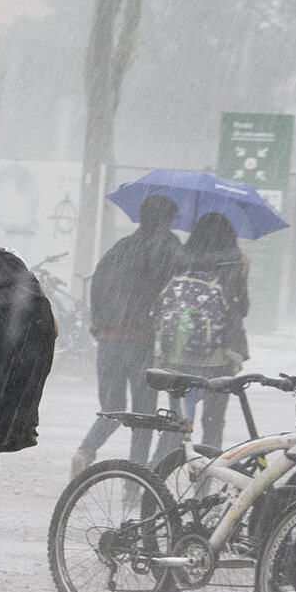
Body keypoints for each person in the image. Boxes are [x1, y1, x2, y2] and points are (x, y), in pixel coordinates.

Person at [71, 194, 182, 476]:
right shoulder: (170, 249)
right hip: (142, 342)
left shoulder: (120, 247)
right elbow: (176, 292)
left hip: (108, 339)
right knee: (143, 416)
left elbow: (97, 284)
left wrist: (99, 325)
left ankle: (85, 450)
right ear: (167, 221)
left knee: (112, 408)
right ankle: (136, 480)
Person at [154, 211, 250, 451]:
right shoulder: (236, 261)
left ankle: (155, 479)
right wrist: (241, 275)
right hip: (220, 357)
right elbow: (242, 308)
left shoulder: (181, 258)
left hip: (179, 354)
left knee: (177, 424)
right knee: (213, 424)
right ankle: (206, 480)